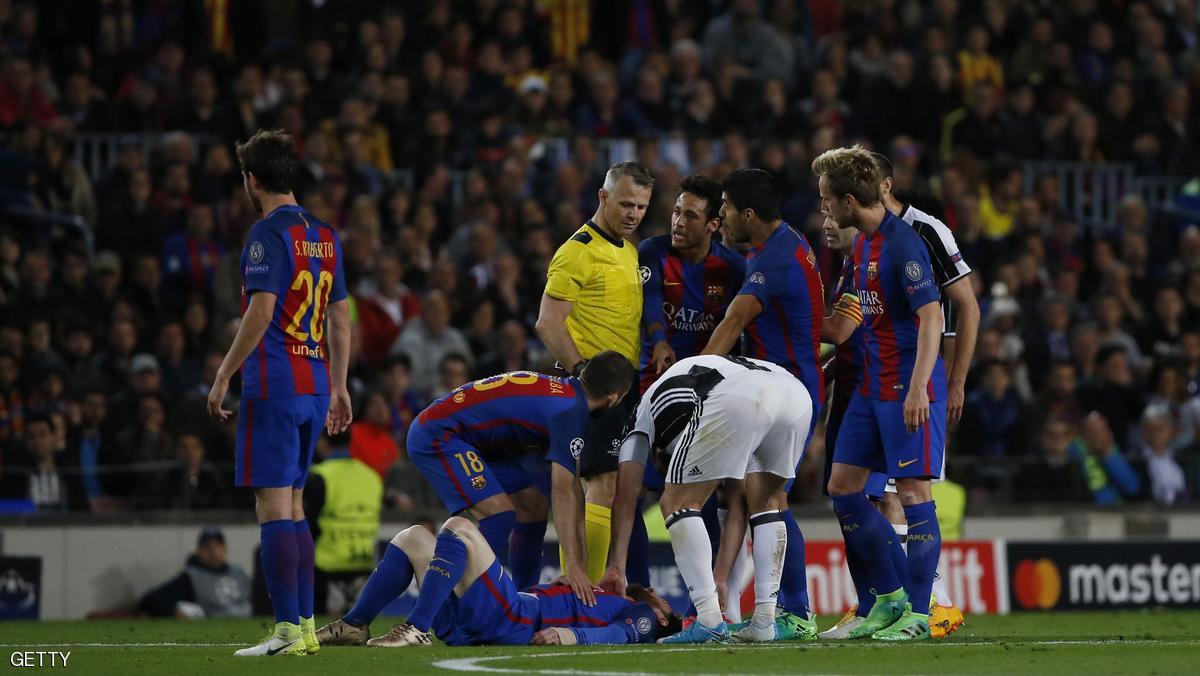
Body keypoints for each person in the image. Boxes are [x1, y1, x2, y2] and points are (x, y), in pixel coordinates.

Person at [206, 129, 353, 657]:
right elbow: (340, 320)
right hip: (314, 387)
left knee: (273, 507)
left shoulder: (266, 235)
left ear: (252, 179)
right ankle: (307, 627)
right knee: (292, 505)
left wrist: (224, 374)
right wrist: (338, 386)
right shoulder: (327, 235)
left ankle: (288, 629)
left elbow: (261, 311)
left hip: (273, 383)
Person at [814, 145, 947, 641]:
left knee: (914, 495)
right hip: (870, 391)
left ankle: (918, 613)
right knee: (843, 489)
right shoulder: (864, 245)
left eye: (828, 199)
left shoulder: (903, 244)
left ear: (850, 200)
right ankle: (888, 599)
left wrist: (918, 389)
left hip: (906, 392)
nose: (824, 208)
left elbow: (932, 317)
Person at [602, 355, 813, 644]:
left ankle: (709, 620)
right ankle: (765, 621)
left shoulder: (641, 417)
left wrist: (616, 567)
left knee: (676, 501)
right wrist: (721, 575)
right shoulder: (696, 408)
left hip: (740, 394)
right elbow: (740, 502)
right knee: (767, 503)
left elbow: (624, 497)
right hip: (794, 394)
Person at [699, 168, 824, 636]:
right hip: (791, 386)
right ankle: (790, 608)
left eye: (727, 208)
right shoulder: (790, 242)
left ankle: (795, 610)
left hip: (786, 393)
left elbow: (732, 323)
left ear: (748, 214)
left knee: (768, 500)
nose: (722, 216)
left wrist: (688, 384)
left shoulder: (768, 265)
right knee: (763, 500)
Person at [407, 351, 632, 597]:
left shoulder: (566, 396)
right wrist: (575, 568)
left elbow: (574, 488)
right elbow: (563, 490)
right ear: (613, 399)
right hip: (441, 433)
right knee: (500, 515)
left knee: (533, 506)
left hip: (475, 438)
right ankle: (463, 602)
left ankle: (523, 598)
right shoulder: (569, 415)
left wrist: (580, 566)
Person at [872, 152, 978, 638]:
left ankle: (934, 604)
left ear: (885, 184)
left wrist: (953, 382)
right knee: (879, 498)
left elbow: (965, 309)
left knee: (906, 494)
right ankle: (916, 600)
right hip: (881, 380)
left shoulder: (926, 230)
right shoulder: (862, 238)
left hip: (924, 380)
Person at [536, 161, 652, 584]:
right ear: (603, 197)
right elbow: (548, 322)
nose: (633, 214)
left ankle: (584, 586)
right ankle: (587, 593)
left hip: (622, 391)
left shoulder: (629, 249)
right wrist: (584, 375)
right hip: (591, 392)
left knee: (611, 489)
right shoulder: (578, 250)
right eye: (625, 204)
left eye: (640, 206)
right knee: (601, 485)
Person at [314, 516, 681, 647]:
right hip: (480, 621)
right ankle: (354, 625)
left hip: (513, 617)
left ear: (662, 618)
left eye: (661, 599)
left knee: (459, 528)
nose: (653, 592)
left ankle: (418, 628)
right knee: (412, 537)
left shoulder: (642, 617)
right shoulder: (609, 595)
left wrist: (571, 636)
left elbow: (616, 636)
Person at [632, 173, 745, 587]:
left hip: (707, 392)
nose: (678, 221)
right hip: (651, 387)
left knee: (702, 490)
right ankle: (637, 590)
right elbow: (649, 303)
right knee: (633, 491)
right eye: (676, 211)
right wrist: (659, 340)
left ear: (714, 224)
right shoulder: (654, 251)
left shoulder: (732, 268)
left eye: (691, 215)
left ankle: (714, 595)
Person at [305, 430, 384, 616]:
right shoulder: (371, 475)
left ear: (323, 440)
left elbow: (309, 526)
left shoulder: (319, 476)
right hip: (364, 559)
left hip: (326, 563)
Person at [138, 527, 252, 619]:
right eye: (207, 546)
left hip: (247, 622)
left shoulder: (238, 571)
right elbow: (150, 599)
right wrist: (175, 612)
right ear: (198, 550)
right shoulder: (192, 577)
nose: (213, 550)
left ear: (225, 547)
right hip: (214, 625)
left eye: (218, 544)